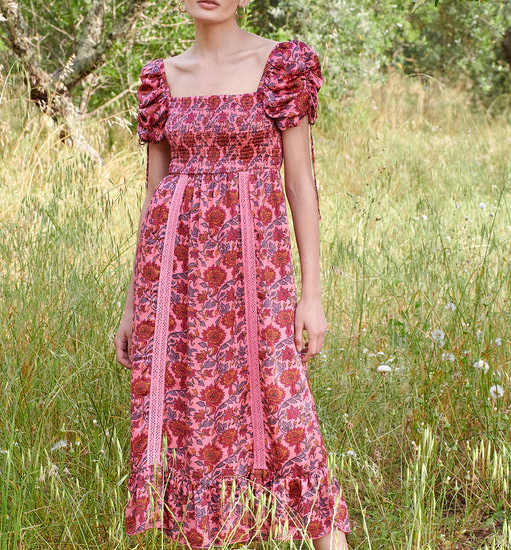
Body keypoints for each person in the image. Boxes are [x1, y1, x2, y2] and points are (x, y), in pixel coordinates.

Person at [114, 1, 352, 548]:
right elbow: (154, 198)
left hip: (257, 280)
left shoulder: (281, 65)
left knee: (287, 418)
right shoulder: (161, 77)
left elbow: (301, 186)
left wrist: (310, 298)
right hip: (174, 281)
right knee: (192, 426)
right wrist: (132, 306)